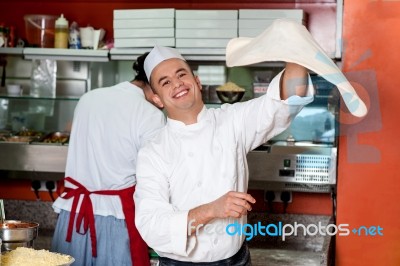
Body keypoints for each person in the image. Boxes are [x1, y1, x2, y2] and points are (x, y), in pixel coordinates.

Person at [133, 44, 314, 266]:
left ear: (197, 82)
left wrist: (294, 48)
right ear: (157, 99)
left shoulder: (232, 121)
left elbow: (285, 101)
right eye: (166, 82)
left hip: (237, 260)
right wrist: (212, 210)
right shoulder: (153, 151)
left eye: (182, 74)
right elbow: (151, 225)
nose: (177, 83)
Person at [51, 52, 166, 266]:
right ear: (154, 81)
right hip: (116, 220)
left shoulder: (89, 97)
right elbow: (158, 180)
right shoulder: (150, 115)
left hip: (71, 215)